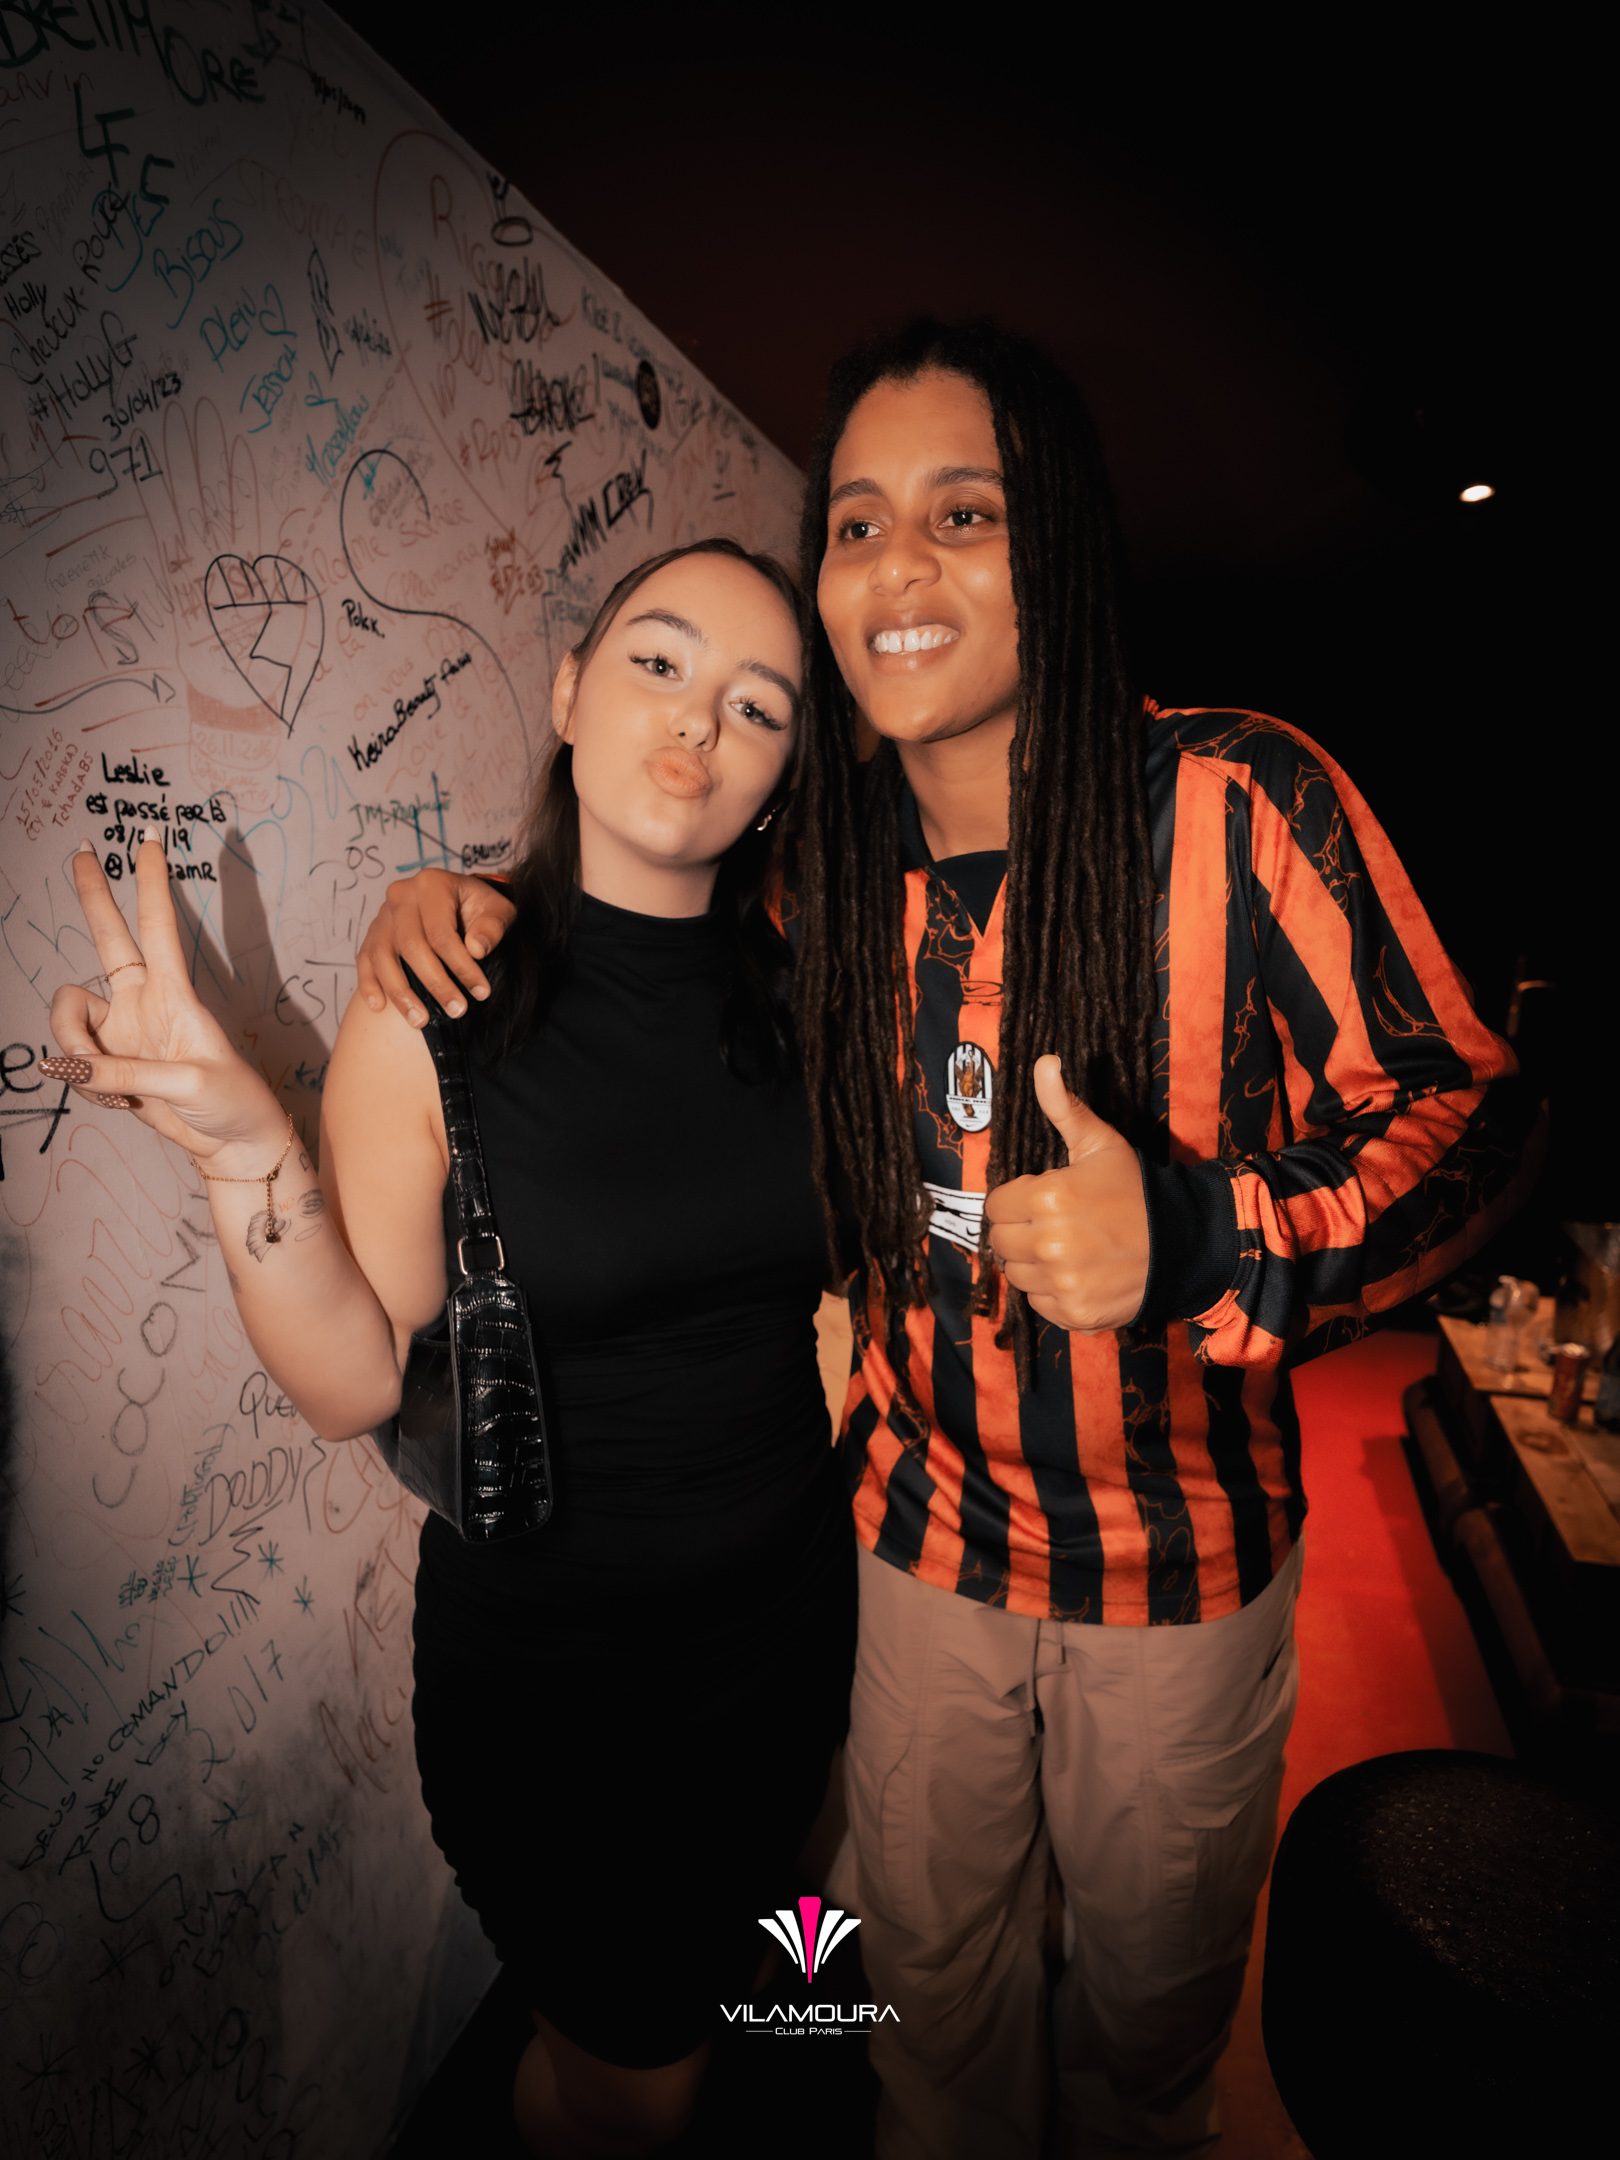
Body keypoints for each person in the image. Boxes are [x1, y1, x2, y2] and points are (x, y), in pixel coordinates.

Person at [356, 321, 1540, 2159]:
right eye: (856, 524)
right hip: (910, 1559)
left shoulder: (1235, 802)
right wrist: (447, 900)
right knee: (917, 2028)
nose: (899, 569)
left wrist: (1216, 1242)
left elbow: (1475, 1107)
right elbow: (627, 927)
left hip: (1177, 1573)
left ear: (1051, 545)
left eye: (964, 514)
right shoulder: (815, 877)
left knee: (1140, 2050)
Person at [44, 538, 856, 2160]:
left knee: (752, 1985)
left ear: (784, 776)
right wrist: (243, 1156)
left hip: (785, 1641)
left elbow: (824, 1303)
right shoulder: (438, 1001)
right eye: (658, 660)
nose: (698, 721)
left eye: (759, 706)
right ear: (568, 691)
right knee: (634, 2093)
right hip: (563, 1692)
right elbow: (358, 1375)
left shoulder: (812, 1001)